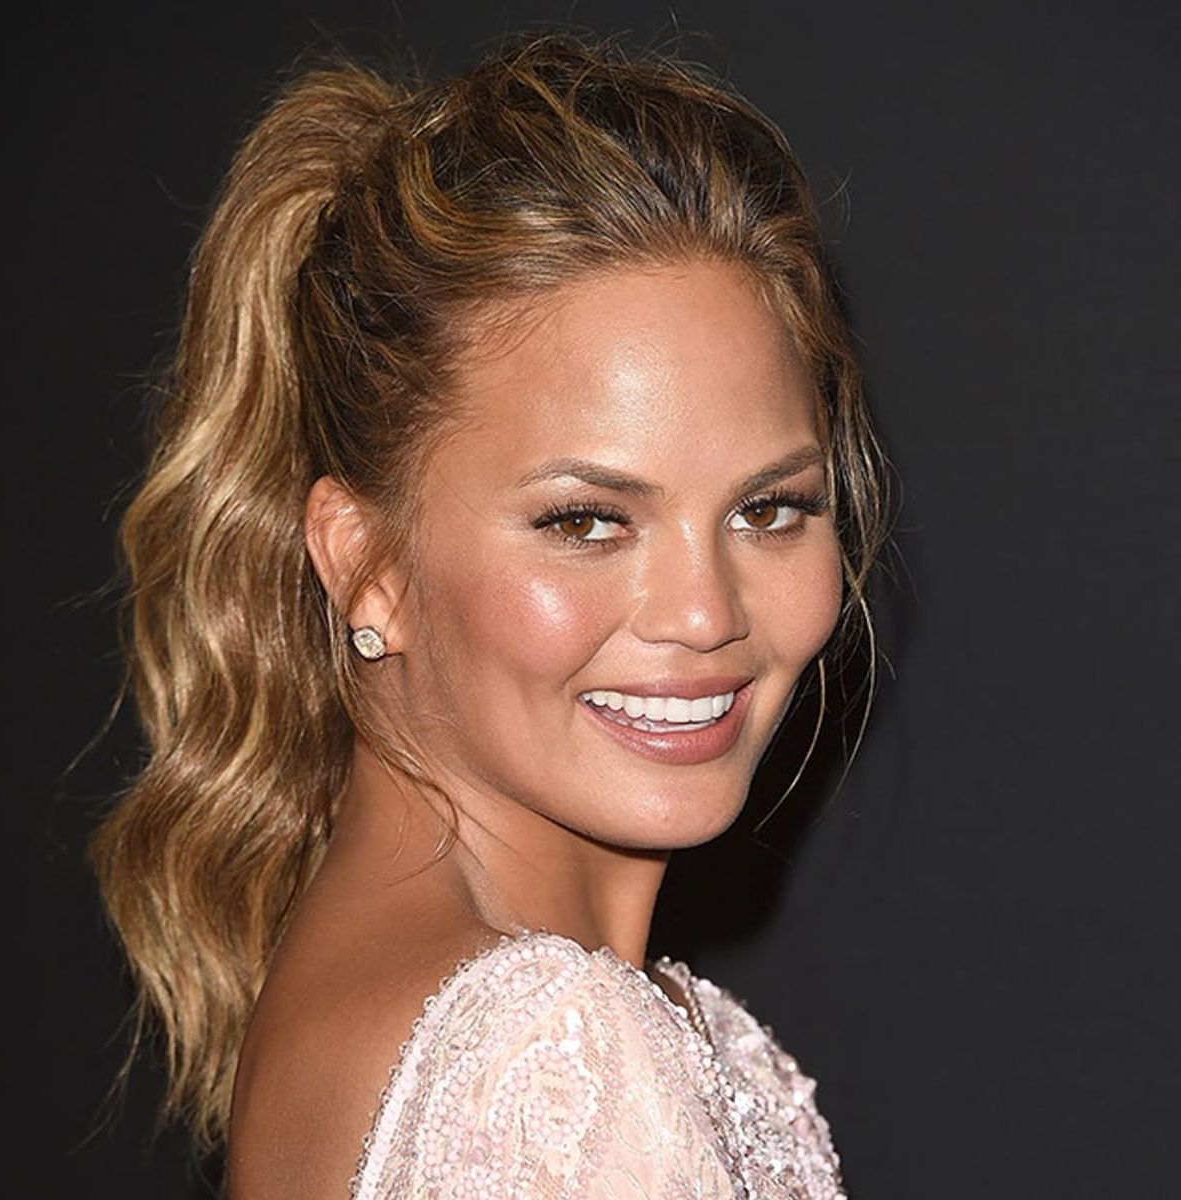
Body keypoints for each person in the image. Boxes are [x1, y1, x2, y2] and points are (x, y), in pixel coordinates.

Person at [90, 32, 891, 1200]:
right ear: (365, 562)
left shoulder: (384, 994)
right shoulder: (547, 1066)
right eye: (587, 521)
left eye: (769, 509)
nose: (705, 613)